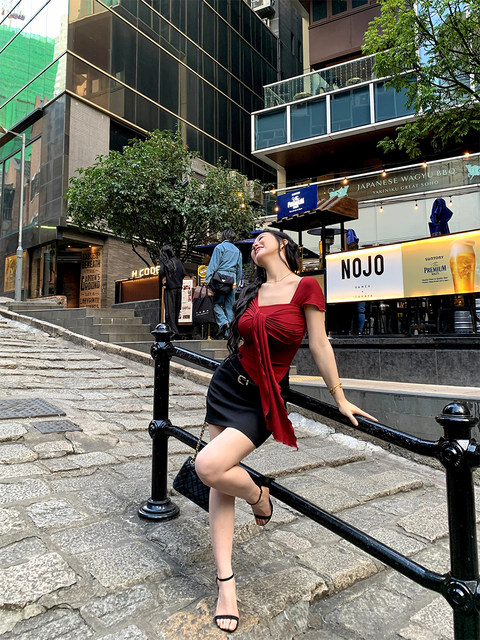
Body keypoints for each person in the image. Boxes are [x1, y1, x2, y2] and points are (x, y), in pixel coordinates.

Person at [195, 229, 376, 633]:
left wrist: (340, 397)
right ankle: (226, 583)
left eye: (263, 236)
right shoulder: (252, 291)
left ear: (283, 244)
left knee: (209, 466)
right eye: (253, 243)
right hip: (227, 386)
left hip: (262, 400)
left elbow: (320, 344)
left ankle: (259, 496)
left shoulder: (306, 287)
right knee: (218, 481)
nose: (255, 243)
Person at [204, 229, 243, 339]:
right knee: (230, 307)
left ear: (224, 236)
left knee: (215, 303)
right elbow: (239, 270)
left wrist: (207, 279)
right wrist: (236, 283)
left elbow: (213, 265)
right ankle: (230, 334)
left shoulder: (219, 247)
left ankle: (223, 323)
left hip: (219, 280)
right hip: (232, 280)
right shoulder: (237, 251)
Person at [159, 245, 186, 337]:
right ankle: (176, 329)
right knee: (177, 310)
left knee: (170, 311)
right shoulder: (178, 261)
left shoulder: (165, 262)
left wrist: (164, 283)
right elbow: (183, 273)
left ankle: (173, 331)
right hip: (179, 288)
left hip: (170, 289)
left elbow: (161, 273)